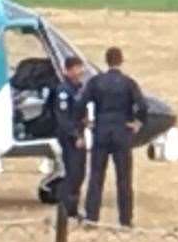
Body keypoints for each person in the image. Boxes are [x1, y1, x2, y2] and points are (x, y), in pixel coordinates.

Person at [82, 46, 146, 227]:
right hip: (121, 131)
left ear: (106, 61)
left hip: (101, 130)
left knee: (96, 176)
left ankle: (92, 217)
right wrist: (137, 123)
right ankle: (125, 220)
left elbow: (81, 102)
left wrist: (87, 121)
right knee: (124, 179)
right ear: (121, 61)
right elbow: (142, 106)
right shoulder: (128, 83)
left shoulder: (96, 82)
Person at [46, 56, 88, 218]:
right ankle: (66, 209)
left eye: (81, 67)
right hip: (69, 137)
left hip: (80, 134)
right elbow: (63, 118)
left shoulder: (79, 89)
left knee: (79, 173)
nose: (80, 71)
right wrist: (75, 135)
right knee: (73, 172)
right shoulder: (63, 91)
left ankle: (72, 208)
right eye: (77, 68)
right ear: (68, 71)